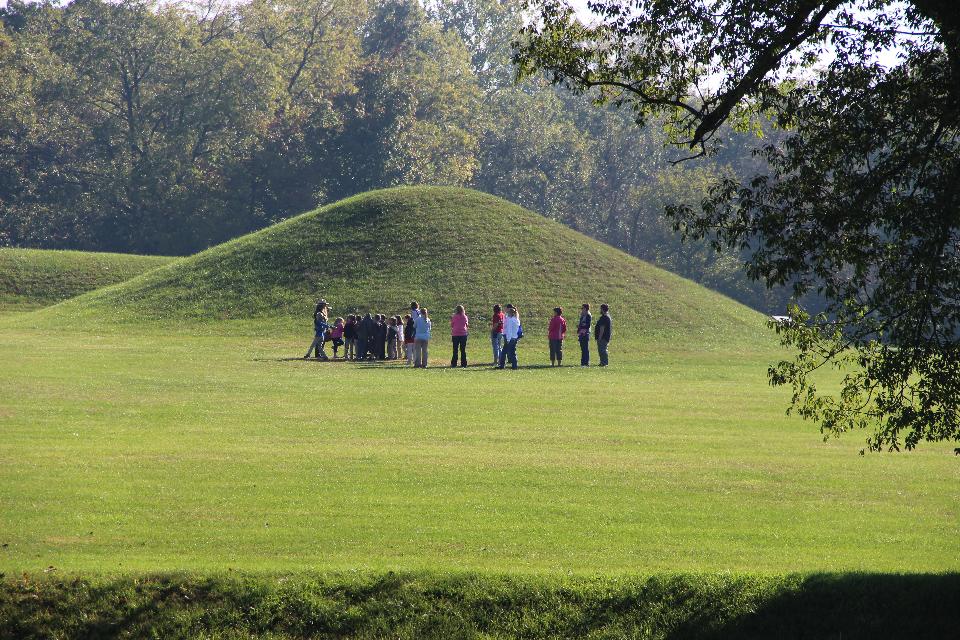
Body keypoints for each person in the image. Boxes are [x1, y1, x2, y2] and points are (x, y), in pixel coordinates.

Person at [498, 304, 520, 369]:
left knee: (506, 351)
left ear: (510, 313)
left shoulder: (510, 320)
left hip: (510, 338)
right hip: (515, 337)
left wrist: (508, 339)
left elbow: (509, 330)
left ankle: (503, 365)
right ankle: (514, 365)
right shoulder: (516, 319)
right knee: (513, 352)